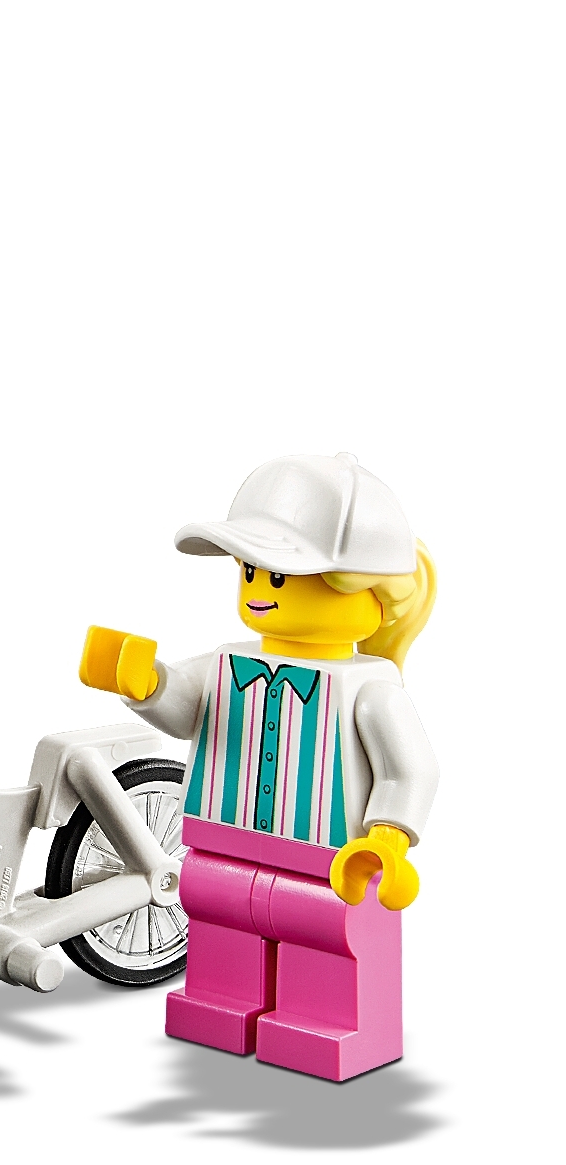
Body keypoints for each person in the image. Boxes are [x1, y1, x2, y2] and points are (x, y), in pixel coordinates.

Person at [80, 452, 438, 1081]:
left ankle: (324, 1023)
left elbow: (410, 770)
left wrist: (387, 837)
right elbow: (186, 708)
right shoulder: (228, 661)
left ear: (369, 591)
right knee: (221, 922)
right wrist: (146, 682)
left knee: (323, 935)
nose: (259, 591)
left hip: (328, 861)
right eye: (251, 572)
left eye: (280, 576)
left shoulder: (370, 688)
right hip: (220, 841)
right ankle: (221, 1001)